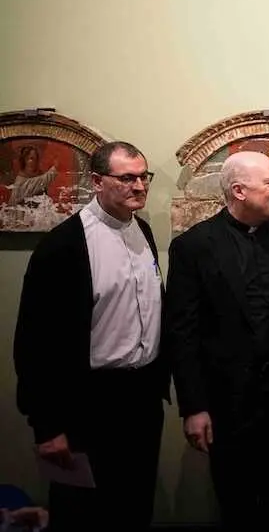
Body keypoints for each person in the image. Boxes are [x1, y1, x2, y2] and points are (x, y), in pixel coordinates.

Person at [13, 141, 168, 532]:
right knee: (82, 513)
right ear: (97, 181)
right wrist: (46, 427)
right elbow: (34, 344)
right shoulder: (63, 246)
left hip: (142, 401)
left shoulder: (143, 231)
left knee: (134, 506)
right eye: (126, 178)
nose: (138, 186)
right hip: (88, 405)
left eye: (142, 177)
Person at [164, 150, 269, 530]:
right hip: (229, 403)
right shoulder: (193, 247)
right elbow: (183, 333)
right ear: (239, 191)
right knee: (236, 504)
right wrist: (193, 407)